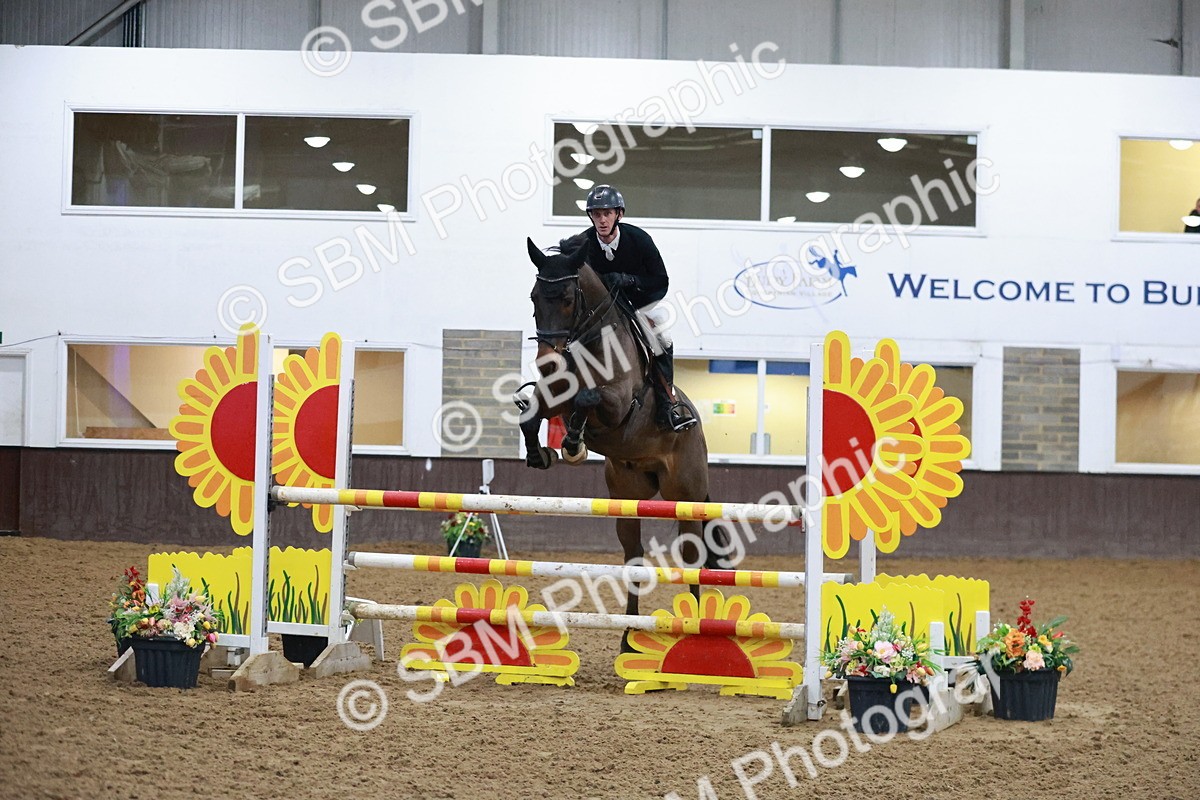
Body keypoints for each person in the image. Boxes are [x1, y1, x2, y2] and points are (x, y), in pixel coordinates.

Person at [573, 184, 697, 432]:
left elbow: (661, 280)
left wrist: (630, 280)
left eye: (607, 213)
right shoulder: (583, 244)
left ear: (619, 215)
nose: (602, 220)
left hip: (641, 302)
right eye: (596, 214)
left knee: (662, 338)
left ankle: (667, 404)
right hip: (602, 311)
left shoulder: (639, 239)